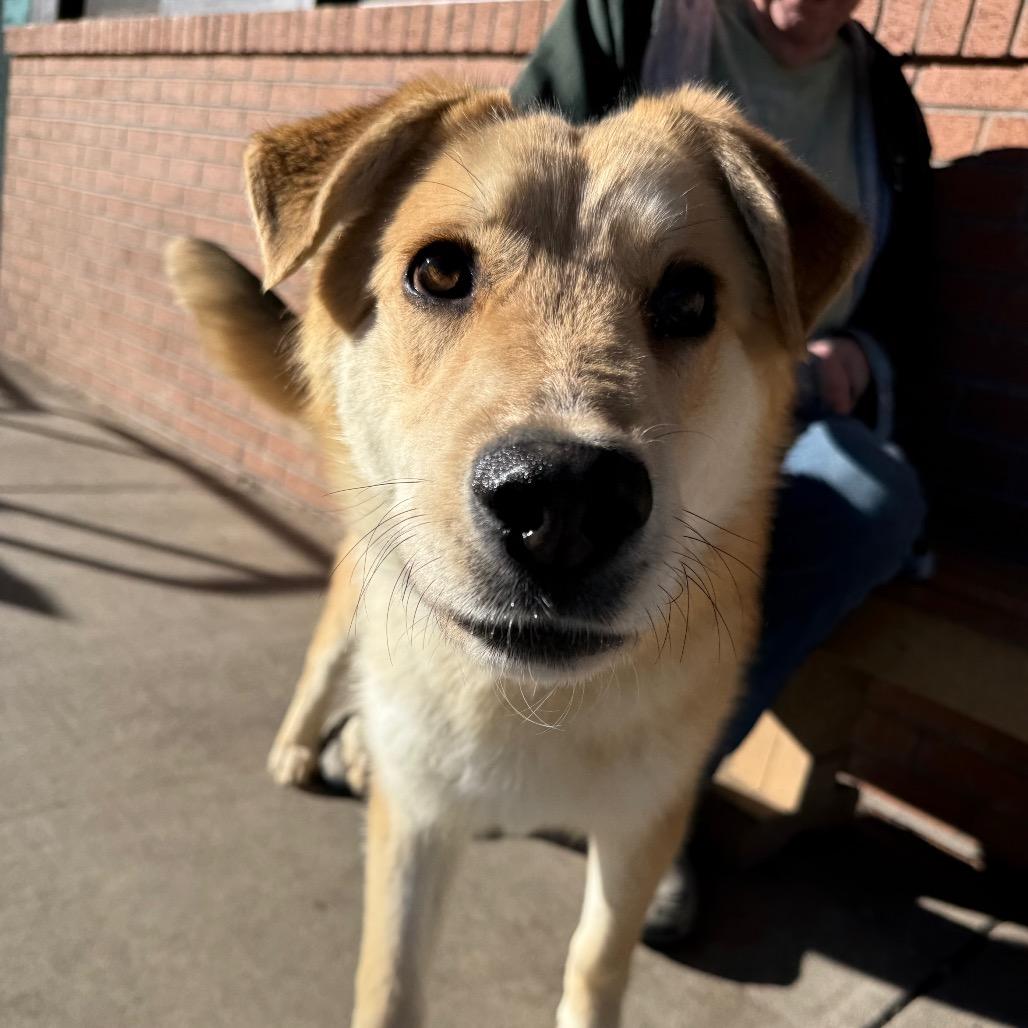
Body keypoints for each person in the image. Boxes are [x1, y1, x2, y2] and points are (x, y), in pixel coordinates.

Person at [514, 0, 934, 943]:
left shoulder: (885, 103)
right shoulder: (631, 22)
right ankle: (481, 732)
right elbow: (518, 200)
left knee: (875, 497)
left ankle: (653, 800)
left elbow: (906, 289)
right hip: (633, 391)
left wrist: (859, 352)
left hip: (800, 407)